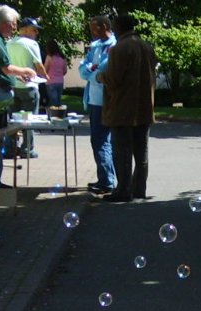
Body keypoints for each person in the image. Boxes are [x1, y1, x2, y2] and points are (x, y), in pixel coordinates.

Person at [0, 5, 36, 188]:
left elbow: (1, 70)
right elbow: (6, 68)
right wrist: (26, 70)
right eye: (14, 24)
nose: (15, 27)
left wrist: (17, 75)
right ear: (6, 23)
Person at [99, 13, 156, 203]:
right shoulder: (146, 46)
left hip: (123, 108)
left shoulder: (119, 48)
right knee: (141, 152)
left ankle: (123, 189)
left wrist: (101, 77)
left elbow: (114, 80)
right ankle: (139, 188)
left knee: (122, 151)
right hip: (144, 107)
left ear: (118, 27)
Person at [79, 15, 116, 195]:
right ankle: (106, 178)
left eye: (94, 28)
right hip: (93, 99)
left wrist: (91, 72)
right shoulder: (94, 46)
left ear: (103, 27)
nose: (92, 32)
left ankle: (107, 180)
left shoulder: (113, 46)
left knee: (101, 140)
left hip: (105, 99)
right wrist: (91, 72)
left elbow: (103, 70)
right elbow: (82, 69)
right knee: (100, 140)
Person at [7, 17, 47, 158]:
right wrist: (46, 77)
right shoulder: (32, 44)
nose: (36, 32)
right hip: (29, 86)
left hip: (13, 86)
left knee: (13, 120)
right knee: (28, 120)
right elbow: (39, 66)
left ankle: (10, 148)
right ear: (24, 29)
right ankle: (27, 149)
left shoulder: (9, 43)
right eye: (34, 29)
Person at [44, 40, 67, 107]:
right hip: (60, 82)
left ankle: (55, 115)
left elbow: (45, 70)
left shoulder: (49, 57)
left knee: (54, 102)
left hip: (51, 81)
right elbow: (65, 71)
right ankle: (59, 114)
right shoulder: (63, 57)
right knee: (58, 101)